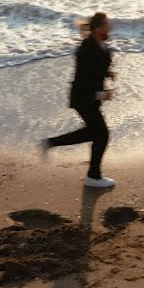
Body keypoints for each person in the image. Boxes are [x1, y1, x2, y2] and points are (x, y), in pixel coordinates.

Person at [40, 11, 117, 188]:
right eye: (106, 25)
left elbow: (97, 67)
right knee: (101, 134)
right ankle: (93, 176)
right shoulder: (86, 49)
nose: (109, 27)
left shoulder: (98, 43)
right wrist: (100, 95)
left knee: (94, 133)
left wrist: (108, 72)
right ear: (97, 28)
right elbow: (83, 79)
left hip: (89, 98)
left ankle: (50, 143)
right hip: (83, 98)